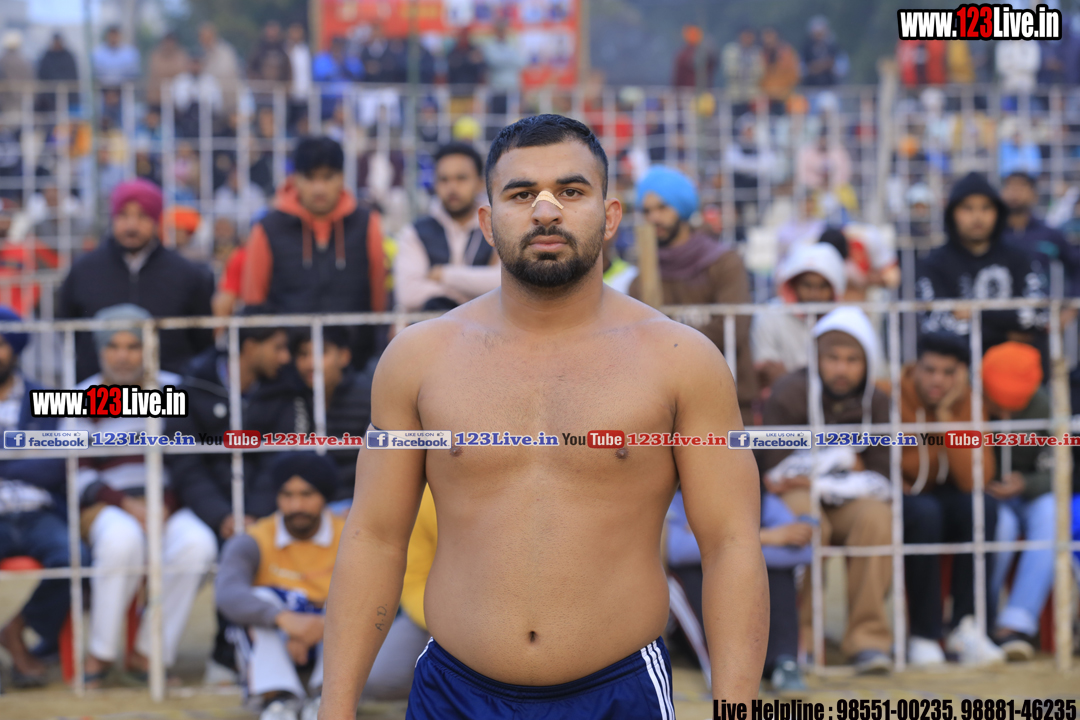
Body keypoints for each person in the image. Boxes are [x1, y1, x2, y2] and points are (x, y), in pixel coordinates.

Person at [319, 114, 767, 718]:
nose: (546, 211)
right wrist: (335, 708)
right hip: (454, 693)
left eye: (571, 191)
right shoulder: (419, 358)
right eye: (522, 193)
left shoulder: (682, 360)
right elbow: (374, 538)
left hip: (619, 692)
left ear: (610, 216)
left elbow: (732, 543)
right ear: (488, 221)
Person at [70, 304, 218, 687]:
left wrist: (162, 507)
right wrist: (126, 504)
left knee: (198, 544)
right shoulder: (82, 395)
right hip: (106, 505)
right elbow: (74, 472)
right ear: (100, 350)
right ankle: (101, 653)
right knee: (123, 540)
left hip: (169, 503)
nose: (123, 356)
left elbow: (191, 460)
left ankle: (149, 653)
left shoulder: (175, 389)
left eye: (133, 346)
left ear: (148, 348)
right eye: (113, 346)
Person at [757, 307, 894, 674]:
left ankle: (867, 641)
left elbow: (882, 480)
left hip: (845, 497)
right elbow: (777, 472)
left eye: (852, 360)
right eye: (832, 358)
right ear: (816, 356)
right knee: (810, 523)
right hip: (798, 496)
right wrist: (846, 460)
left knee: (878, 519)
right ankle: (802, 638)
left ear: (868, 361)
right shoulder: (790, 391)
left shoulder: (878, 402)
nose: (841, 369)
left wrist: (814, 473)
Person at [894, 332, 1003, 667]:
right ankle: (924, 634)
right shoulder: (892, 394)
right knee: (925, 514)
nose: (937, 379)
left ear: (961, 374)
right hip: (906, 493)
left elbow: (975, 479)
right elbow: (886, 459)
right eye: (929, 369)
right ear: (915, 367)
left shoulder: (968, 401)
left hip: (949, 491)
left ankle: (966, 626)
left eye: (948, 372)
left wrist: (944, 417)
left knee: (982, 507)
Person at [216, 453, 342, 720]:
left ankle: (329, 699)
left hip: (331, 639)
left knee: (348, 603)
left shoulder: (349, 536)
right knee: (258, 599)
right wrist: (284, 619)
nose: (296, 505)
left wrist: (320, 624)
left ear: (324, 496)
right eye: (287, 494)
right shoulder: (255, 539)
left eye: (307, 494)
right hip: (277, 639)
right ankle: (277, 699)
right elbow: (227, 593)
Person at [241, 137, 386, 368]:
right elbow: (255, 303)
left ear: (342, 177)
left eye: (328, 177)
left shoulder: (368, 224)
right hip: (287, 366)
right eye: (310, 177)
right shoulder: (267, 229)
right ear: (295, 179)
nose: (319, 188)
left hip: (355, 363)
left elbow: (379, 301)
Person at [630, 165, 758, 424]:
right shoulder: (641, 279)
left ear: (682, 208)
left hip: (727, 398)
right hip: (665, 407)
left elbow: (733, 328)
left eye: (663, 207)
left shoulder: (724, 263)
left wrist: (665, 340)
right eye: (647, 211)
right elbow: (635, 340)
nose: (654, 218)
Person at [58, 178, 214, 382]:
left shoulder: (186, 274)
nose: (132, 225)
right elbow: (67, 326)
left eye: (142, 216)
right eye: (123, 215)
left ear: (156, 220)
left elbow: (202, 336)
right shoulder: (83, 270)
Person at [666, 485, 811, 692]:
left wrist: (712, 539)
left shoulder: (761, 497)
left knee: (777, 573)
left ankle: (784, 662)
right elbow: (676, 551)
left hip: (745, 594)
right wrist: (770, 537)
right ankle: (724, 671)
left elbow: (803, 552)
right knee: (689, 574)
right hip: (699, 597)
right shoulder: (676, 498)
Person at [0, 307, 77, 688]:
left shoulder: (44, 398)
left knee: (77, 559)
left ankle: (16, 628)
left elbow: (55, 466)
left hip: (37, 511)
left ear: (14, 348)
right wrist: (21, 455)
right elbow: (40, 461)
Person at [918, 172, 1049, 355]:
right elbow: (935, 325)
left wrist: (974, 313)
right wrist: (1008, 334)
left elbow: (1038, 315)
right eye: (967, 208)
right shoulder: (934, 263)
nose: (977, 217)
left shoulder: (1020, 257)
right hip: (958, 365)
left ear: (998, 212)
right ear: (952, 213)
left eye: (986, 208)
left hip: (1014, 363)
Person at [983, 342, 1056, 661]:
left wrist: (1026, 483)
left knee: (1052, 515)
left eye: (1014, 406)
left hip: (1028, 493)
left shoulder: (1044, 406)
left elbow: (1061, 468)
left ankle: (1016, 623)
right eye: (998, 405)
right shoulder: (968, 399)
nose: (1005, 414)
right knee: (1001, 526)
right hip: (984, 495)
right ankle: (982, 616)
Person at [395, 142, 500, 311]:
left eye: (461, 178)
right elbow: (409, 294)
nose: (452, 187)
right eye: (444, 179)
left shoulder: (497, 226)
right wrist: (475, 294)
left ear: (480, 183)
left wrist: (444, 274)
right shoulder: (416, 231)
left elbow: (505, 283)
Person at [289, 326, 373, 504]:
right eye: (303, 354)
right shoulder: (292, 396)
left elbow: (377, 461)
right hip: (301, 502)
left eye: (321, 353)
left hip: (356, 501)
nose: (310, 363)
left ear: (344, 356)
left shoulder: (370, 397)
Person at [751, 241, 846, 390]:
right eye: (807, 285)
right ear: (793, 285)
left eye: (823, 286)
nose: (815, 294)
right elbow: (768, 371)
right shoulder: (769, 315)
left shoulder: (844, 320)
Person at [1000, 172, 1080, 300]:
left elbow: (1076, 264)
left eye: (1021, 186)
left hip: (1039, 308)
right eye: (1010, 186)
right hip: (997, 309)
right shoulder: (993, 235)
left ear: (1034, 195)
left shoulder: (1048, 234)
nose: (1015, 192)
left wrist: (1072, 305)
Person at [198, 23, 242, 114]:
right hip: (213, 94)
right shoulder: (204, 54)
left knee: (206, 83)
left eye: (207, 37)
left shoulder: (225, 51)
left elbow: (225, 73)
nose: (204, 40)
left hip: (228, 94)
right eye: (202, 37)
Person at [722, 28, 762, 117]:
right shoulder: (731, 51)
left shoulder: (756, 52)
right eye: (745, 36)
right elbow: (729, 71)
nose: (747, 39)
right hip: (734, 96)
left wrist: (745, 71)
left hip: (752, 97)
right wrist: (746, 70)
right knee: (734, 119)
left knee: (752, 120)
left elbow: (760, 72)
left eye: (750, 37)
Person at [35, 32, 79, 114]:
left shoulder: (68, 57)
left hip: (68, 97)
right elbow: (42, 76)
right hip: (49, 99)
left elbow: (72, 76)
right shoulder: (46, 57)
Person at [146, 32, 192, 109]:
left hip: (176, 100)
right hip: (156, 98)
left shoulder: (181, 55)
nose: (169, 44)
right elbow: (157, 72)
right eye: (168, 41)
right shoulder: (155, 55)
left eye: (171, 41)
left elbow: (183, 72)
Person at [759, 27, 800, 114]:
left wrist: (781, 90)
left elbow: (795, 75)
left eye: (770, 37)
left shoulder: (787, 52)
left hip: (785, 97)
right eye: (766, 37)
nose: (768, 41)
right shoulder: (760, 54)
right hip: (766, 98)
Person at [0, 31, 33, 116]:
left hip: (8, 98)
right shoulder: (24, 61)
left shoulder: (3, 60)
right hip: (21, 97)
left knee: (9, 119)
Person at [801, 16, 839, 87]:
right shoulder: (806, 48)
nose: (819, 35)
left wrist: (816, 66)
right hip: (811, 86)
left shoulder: (833, 47)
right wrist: (823, 65)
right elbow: (803, 69)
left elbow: (839, 68)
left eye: (821, 32)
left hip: (830, 86)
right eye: (817, 33)